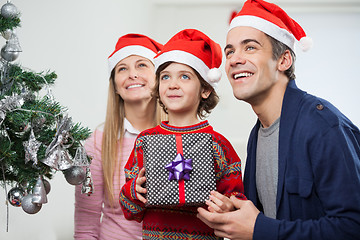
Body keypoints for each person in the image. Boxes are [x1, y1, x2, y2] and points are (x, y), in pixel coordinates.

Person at [197, 0, 360, 239]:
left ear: (283, 61)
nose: (233, 59)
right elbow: (269, 216)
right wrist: (235, 213)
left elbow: (352, 227)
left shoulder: (323, 126)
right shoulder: (259, 133)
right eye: (230, 51)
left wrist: (258, 229)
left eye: (249, 47)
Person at [119, 29, 247, 239]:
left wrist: (228, 205)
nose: (173, 84)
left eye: (185, 76)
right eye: (165, 77)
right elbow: (130, 211)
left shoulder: (218, 145)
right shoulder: (145, 141)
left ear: (205, 90)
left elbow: (236, 199)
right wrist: (134, 191)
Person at [74, 34, 163, 240]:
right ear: (114, 85)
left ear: (158, 76)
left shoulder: (183, 137)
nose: (132, 74)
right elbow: (86, 224)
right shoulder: (96, 143)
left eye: (142, 65)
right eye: (122, 68)